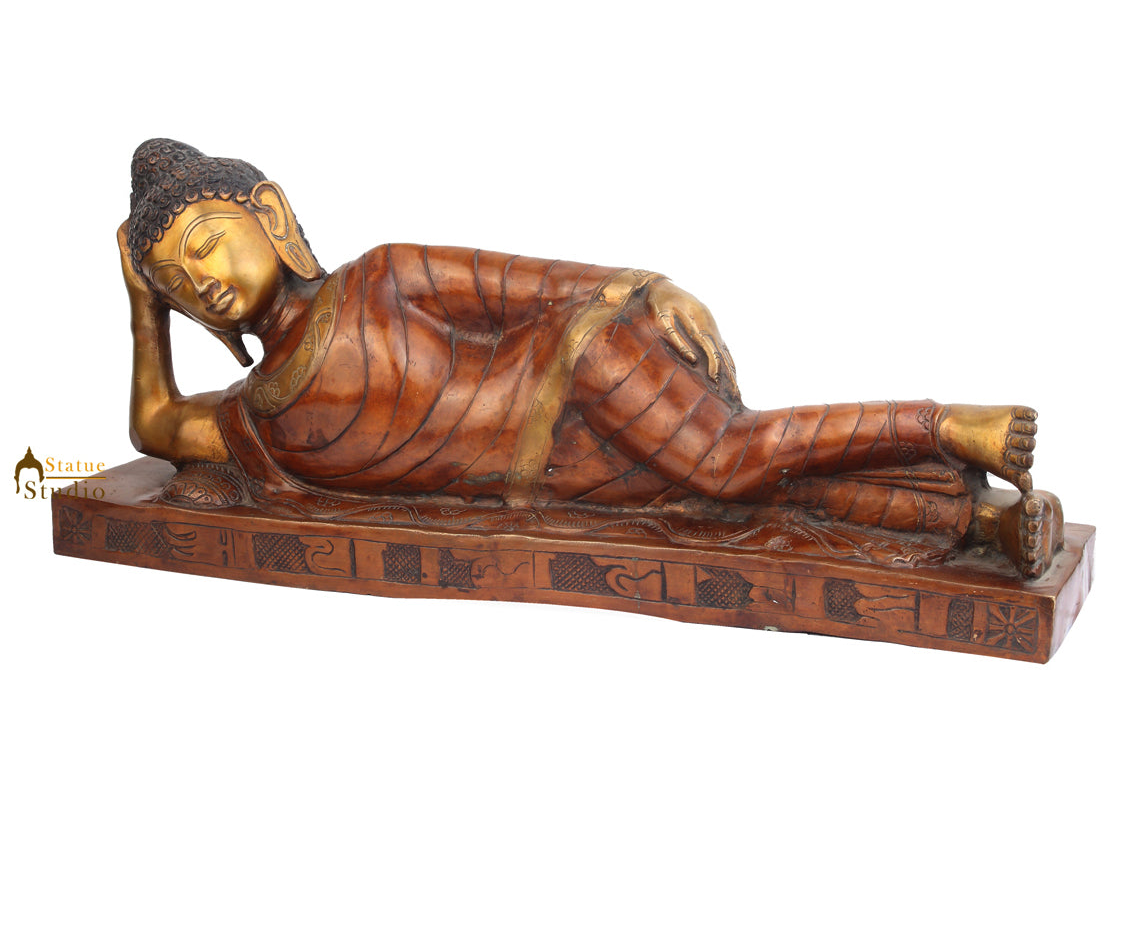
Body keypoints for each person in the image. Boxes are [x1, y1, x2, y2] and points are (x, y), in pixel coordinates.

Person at [120, 139, 1060, 577]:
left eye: (207, 243)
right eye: (175, 281)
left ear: (270, 215)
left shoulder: (383, 277)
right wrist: (140, 308)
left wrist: (653, 286)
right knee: (753, 500)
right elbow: (155, 427)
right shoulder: (258, 418)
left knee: (729, 460)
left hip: (582, 372)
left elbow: (533, 286)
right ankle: (980, 523)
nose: (201, 280)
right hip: (560, 478)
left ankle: (948, 424)